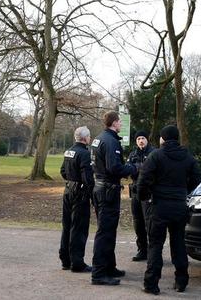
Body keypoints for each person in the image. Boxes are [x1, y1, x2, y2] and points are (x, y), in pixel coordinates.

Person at [137, 125, 201, 295]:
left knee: (155, 245)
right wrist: (184, 191)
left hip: (159, 206)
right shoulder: (187, 157)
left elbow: (143, 180)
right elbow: (197, 178)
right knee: (179, 243)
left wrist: (145, 197)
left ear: (163, 139)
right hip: (179, 206)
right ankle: (181, 281)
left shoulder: (156, 155)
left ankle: (151, 284)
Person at [90, 111, 138, 286]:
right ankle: (99, 273)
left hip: (100, 187)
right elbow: (114, 168)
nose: (121, 125)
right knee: (105, 232)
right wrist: (133, 168)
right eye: (119, 122)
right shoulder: (111, 141)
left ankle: (109, 267)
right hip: (108, 190)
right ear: (114, 123)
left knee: (109, 231)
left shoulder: (99, 138)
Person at [58, 126, 94, 273]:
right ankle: (77, 262)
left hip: (68, 190)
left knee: (67, 225)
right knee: (78, 227)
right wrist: (91, 192)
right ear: (85, 138)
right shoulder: (85, 153)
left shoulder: (69, 151)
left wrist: (71, 180)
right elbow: (87, 177)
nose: (90, 139)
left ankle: (65, 259)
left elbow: (62, 171)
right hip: (80, 193)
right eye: (89, 136)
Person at [127, 130, 154, 262]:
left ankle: (152, 251)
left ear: (147, 139)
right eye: (138, 139)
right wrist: (140, 168)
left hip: (148, 192)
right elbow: (128, 169)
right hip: (135, 191)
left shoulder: (153, 153)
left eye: (143, 138)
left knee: (149, 222)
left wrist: (138, 168)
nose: (141, 141)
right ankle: (142, 250)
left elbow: (152, 171)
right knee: (138, 222)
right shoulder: (133, 154)